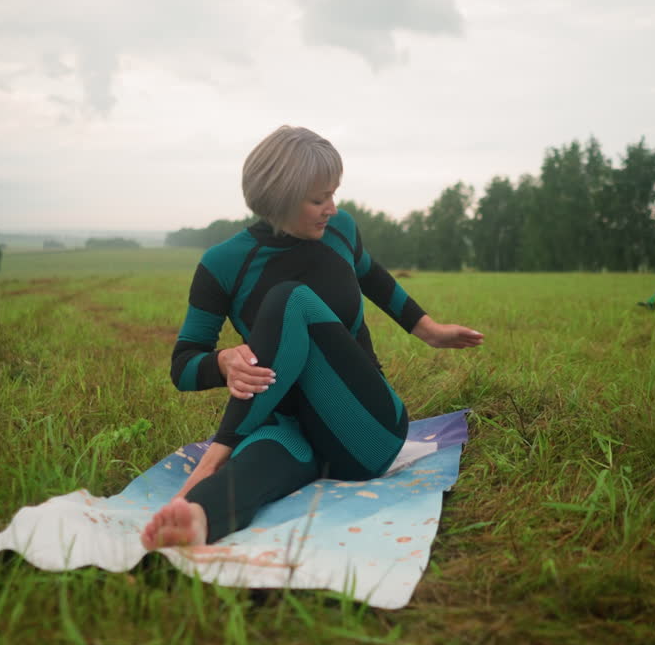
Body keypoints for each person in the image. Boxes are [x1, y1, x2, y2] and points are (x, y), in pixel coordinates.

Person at [141, 125, 483, 550]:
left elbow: (375, 279)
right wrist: (223, 361)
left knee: (291, 301)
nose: (331, 208)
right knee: (261, 460)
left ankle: (216, 455)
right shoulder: (223, 263)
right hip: (290, 427)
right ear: (279, 198)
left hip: (365, 424)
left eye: (333, 194)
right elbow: (183, 365)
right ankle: (199, 517)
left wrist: (429, 330)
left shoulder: (341, 231)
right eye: (318, 199)